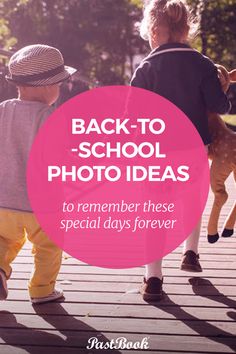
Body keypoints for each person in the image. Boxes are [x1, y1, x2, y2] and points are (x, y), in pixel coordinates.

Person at [131, 0, 231, 301]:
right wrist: (223, 87)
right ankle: (191, 254)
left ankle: (153, 279)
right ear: (188, 29)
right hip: (194, 148)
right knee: (191, 202)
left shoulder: (147, 66)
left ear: (152, 31)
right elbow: (220, 106)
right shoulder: (203, 64)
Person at [0, 44, 76, 304]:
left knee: (2, 240)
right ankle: (42, 289)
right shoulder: (50, 118)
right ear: (48, 87)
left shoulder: (2, 110)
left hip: (2, 201)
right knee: (49, 246)